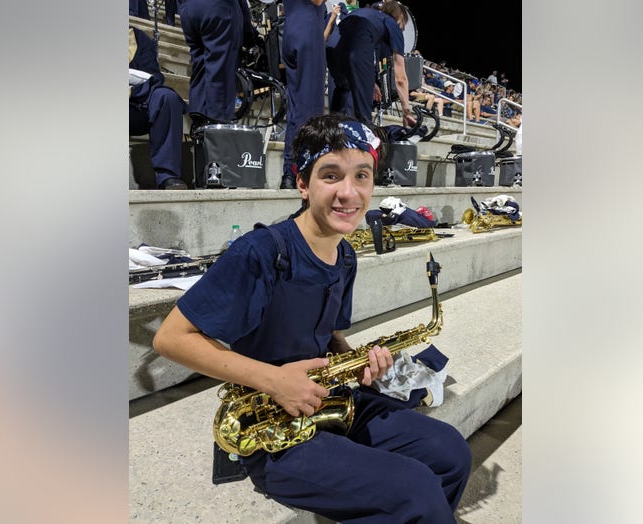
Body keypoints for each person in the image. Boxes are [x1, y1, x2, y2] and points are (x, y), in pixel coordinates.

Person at [152, 113, 471, 523]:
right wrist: (276, 380)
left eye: (362, 176)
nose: (349, 193)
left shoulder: (346, 255)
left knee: (451, 453)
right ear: (302, 183)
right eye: (331, 175)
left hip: (330, 399)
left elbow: (330, 335)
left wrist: (357, 361)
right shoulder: (260, 252)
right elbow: (171, 338)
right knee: (414, 489)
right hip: (271, 427)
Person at [327, 0, 417, 127]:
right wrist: (407, 111)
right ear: (400, 17)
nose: (402, 28)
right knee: (362, 113)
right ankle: (364, 140)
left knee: (340, 98)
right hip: (356, 49)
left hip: (333, 48)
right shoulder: (391, 24)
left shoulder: (369, 15)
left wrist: (372, 81)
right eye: (403, 24)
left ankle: (332, 136)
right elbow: (400, 77)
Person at [129, 26, 187, 190]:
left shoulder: (137, 38)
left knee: (166, 97)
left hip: (134, 106)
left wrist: (132, 90)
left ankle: (167, 176)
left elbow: (153, 77)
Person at [279, 0, 328, 190]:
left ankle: (290, 173)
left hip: (291, 29)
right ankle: (299, 171)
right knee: (310, 109)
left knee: (297, 108)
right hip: (307, 32)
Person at [177, 0, 254, 122]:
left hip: (188, 8)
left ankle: (199, 127)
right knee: (221, 76)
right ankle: (217, 132)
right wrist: (248, 30)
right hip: (218, 8)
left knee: (200, 71)